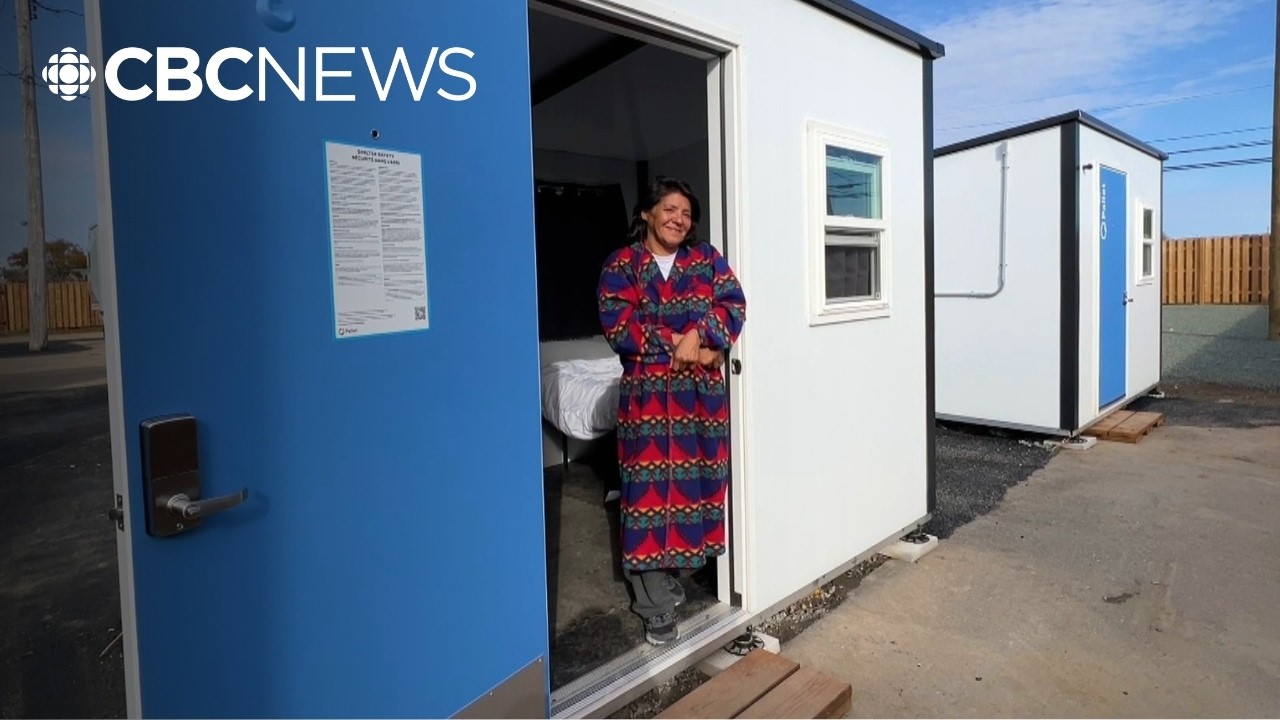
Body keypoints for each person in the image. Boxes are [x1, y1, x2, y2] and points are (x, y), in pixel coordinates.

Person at [597, 177, 747, 645]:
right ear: (646, 212)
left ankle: (670, 574)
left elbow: (734, 306)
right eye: (669, 209)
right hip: (646, 399)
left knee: (696, 484)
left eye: (686, 213)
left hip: (698, 401)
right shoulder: (621, 265)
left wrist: (703, 334)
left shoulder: (706, 260)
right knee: (644, 497)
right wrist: (691, 345)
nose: (679, 219)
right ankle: (651, 603)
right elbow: (620, 327)